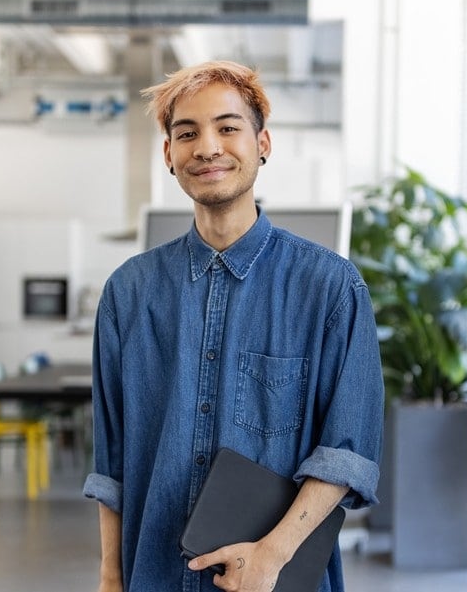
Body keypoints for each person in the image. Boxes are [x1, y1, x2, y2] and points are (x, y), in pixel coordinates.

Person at [83, 60, 383, 592]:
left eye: (227, 127)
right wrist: (111, 577)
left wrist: (270, 555)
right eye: (187, 133)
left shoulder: (331, 288)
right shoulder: (128, 294)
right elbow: (113, 465)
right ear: (169, 157)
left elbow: (348, 452)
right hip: (152, 575)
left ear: (262, 143)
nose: (207, 147)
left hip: (276, 579)